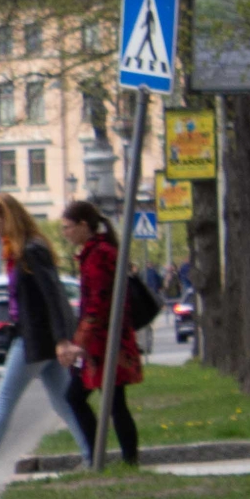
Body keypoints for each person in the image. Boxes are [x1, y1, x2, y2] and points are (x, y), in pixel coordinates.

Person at [0, 194, 90, 485]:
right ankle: (92, 456)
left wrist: (62, 339)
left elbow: (53, 295)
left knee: (4, 399)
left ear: (7, 219)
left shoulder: (30, 250)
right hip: (38, 338)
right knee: (63, 401)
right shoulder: (22, 250)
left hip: (35, 339)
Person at [58, 199, 142, 466]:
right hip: (106, 342)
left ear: (84, 225)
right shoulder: (97, 252)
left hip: (105, 344)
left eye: (68, 227)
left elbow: (97, 305)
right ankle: (115, 459)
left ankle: (102, 459)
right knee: (113, 403)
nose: (65, 233)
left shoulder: (99, 255)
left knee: (82, 398)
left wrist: (78, 344)